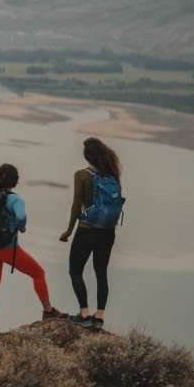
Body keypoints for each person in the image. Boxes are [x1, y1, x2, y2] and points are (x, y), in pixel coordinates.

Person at [0, 163, 61, 335]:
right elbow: (21, 216)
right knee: (38, 273)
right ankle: (48, 311)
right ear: (15, 182)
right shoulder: (15, 199)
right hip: (8, 249)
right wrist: (20, 227)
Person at [60, 137, 123, 330]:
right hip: (107, 233)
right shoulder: (113, 175)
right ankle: (100, 317)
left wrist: (68, 231)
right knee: (101, 273)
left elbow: (75, 206)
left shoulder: (82, 175)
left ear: (87, 156)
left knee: (75, 271)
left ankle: (85, 314)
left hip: (86, 231)